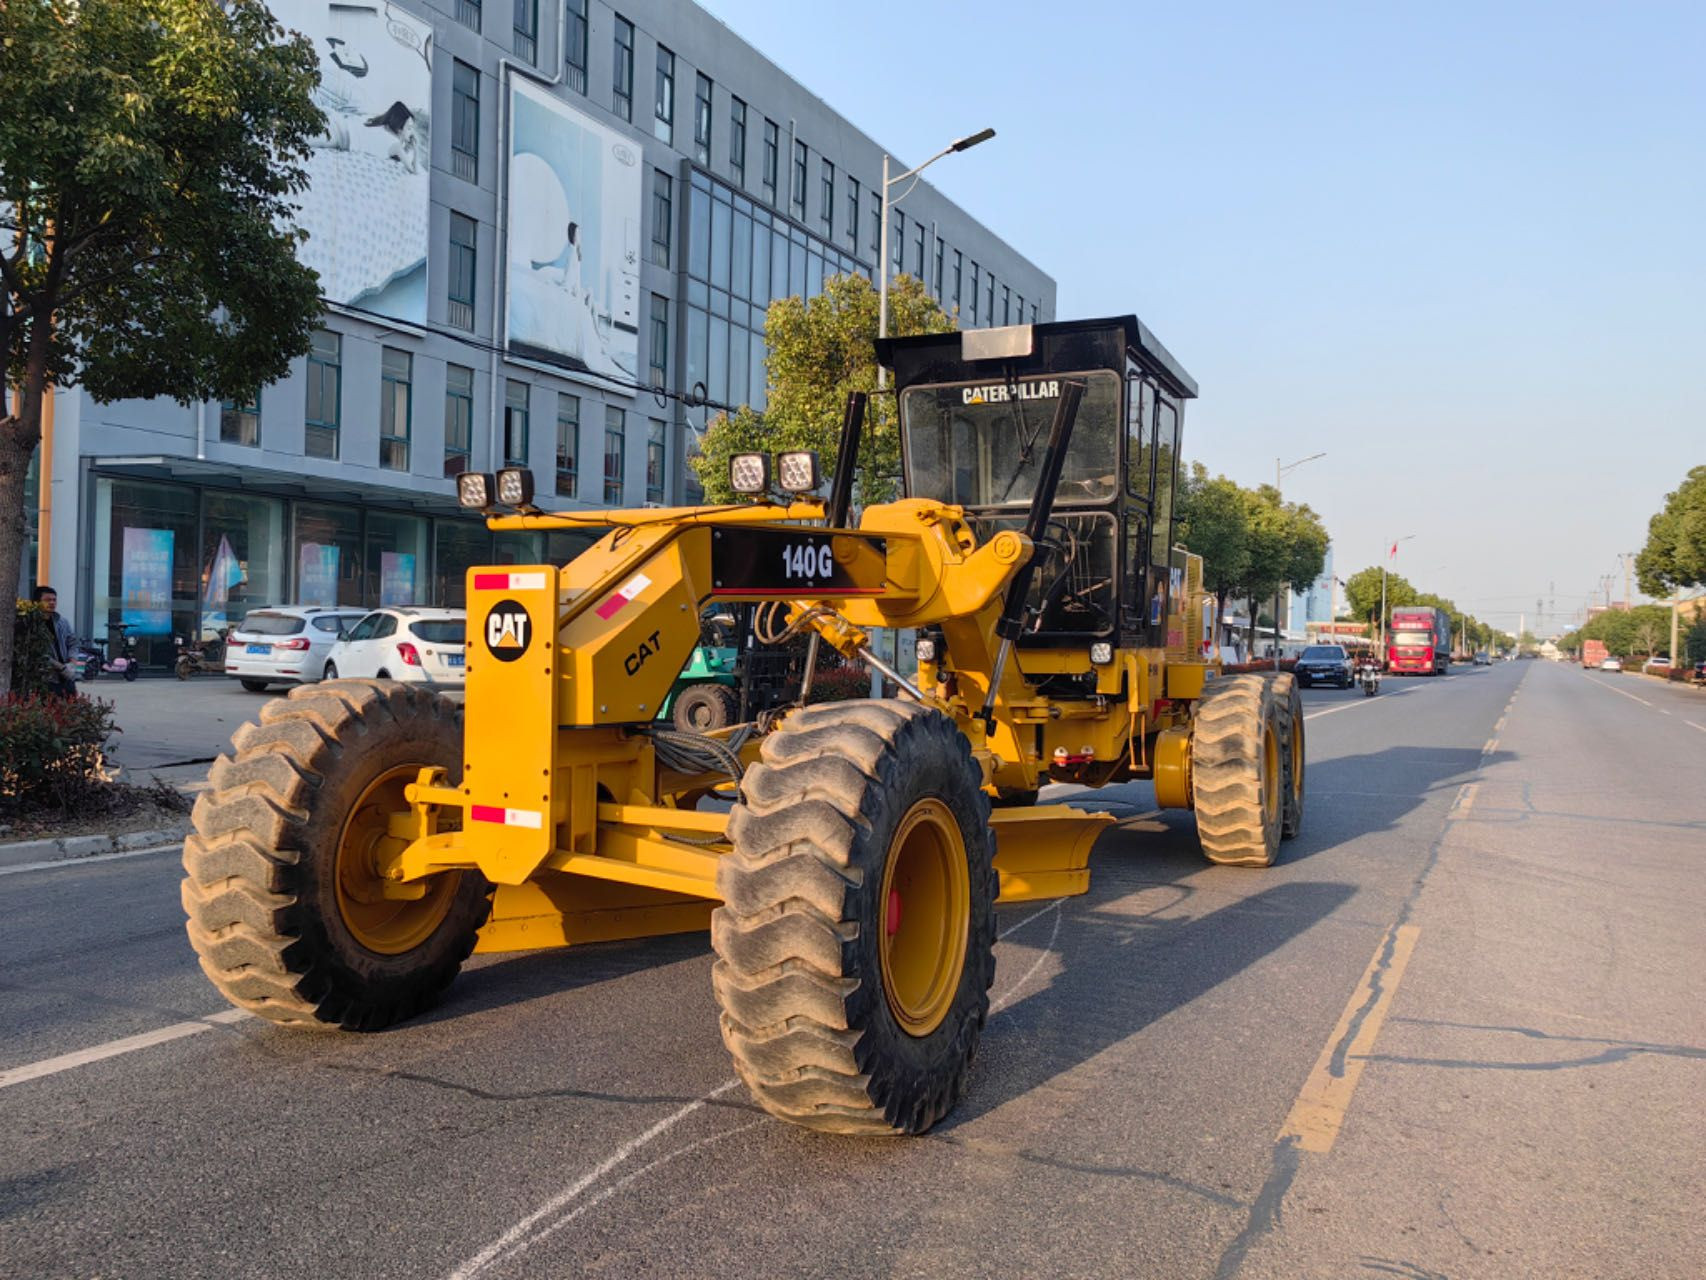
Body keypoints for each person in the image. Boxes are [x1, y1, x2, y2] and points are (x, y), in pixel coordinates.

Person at [32, 585, 78, 697]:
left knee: (70, 710)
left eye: (54, 600)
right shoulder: (32, 624)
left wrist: (72, 661)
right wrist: (60, 667)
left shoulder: (62, 621)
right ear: (37, 602)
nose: (52, 603)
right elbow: (37, 653)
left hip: (67, 677)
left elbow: (73, 642)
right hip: (46, 679)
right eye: (47, 600)